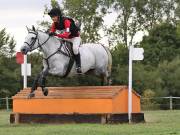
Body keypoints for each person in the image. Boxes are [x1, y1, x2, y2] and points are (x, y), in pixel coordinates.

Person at [48, 8, 82, 73]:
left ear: (58, 15)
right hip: (66, 38)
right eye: (51, 17)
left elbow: (66, 34)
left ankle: (78, 66)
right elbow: (52, 32)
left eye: (54, 16)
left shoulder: (66, 21)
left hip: (75, 38)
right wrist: (49, 33)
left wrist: (56, 34)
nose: (52, 18)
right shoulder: (54, 24)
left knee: (75, 49)